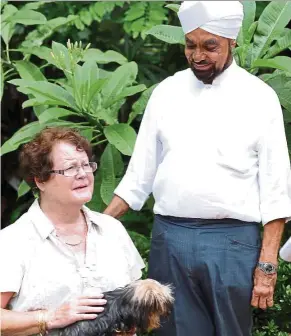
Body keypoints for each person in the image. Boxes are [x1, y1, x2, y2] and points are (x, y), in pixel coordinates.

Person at [103, 1, 291, 335]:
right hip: (169, 241)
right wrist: (95, 228)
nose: (198, 55)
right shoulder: (166, 92)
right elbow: (137, 179)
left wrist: (267, 265)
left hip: (233, 243)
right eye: (190, 45)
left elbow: (277, 190)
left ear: (233, 42)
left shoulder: (260, 98)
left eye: (210, 46)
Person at [0, 127, 145, 336]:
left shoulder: (112, 229)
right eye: (70, 168)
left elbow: (133, 298)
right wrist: (50, 318)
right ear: (40, 180)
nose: (83, 174)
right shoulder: (13, 241)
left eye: (86, 165)